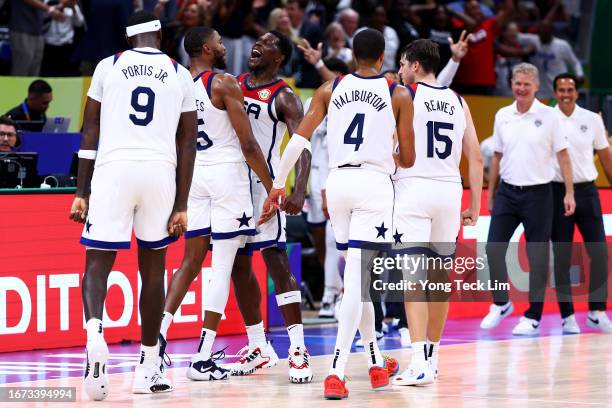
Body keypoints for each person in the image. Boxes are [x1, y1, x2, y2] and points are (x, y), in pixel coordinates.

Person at [261, 28, 416, 400]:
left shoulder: (330, 90)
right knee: (358, 283)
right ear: (383, 58)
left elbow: (297, 139)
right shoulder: (397, 94)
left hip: (338, 183)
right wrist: (388, 154)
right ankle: (337, 369)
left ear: (351, 56)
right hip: (373, 184)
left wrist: (278, 184)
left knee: (356, 281)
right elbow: (408, 159)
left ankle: (377, 360)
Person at [68, 11, 196, 399]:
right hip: (159, 172)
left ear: (128, 38)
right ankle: (148, 362)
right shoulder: (180, 73)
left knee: (97, 262)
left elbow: (90, 130)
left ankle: (94, 334)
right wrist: (182, 203)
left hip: (112, 169)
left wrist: (81, 191)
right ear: (159, 34)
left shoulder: (110, 66)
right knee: (153, 269)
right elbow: (187, 142)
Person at [158, 26, 274, 381]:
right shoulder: (223, 83)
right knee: (223, 265)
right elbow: (249, 144)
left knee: (189, 263)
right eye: (220, 42)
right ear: (207, 49)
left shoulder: (177, 85)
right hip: (227, 176)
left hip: (193, 177)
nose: (225, 46)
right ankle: (203, 356)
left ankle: (156, 340)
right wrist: (272, 186)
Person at [391, 39, 483, 386]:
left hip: (414, 189)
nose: (400, 71)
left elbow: (390, 148)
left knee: (413, 277)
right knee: (439, 279)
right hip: (449, 191)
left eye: (402, 64)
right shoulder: (458, 100)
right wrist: (473, 205)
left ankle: (417, 362)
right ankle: (432, 355)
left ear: (415, 65)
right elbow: (474, 155)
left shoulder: (403, 96)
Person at [227, 31, 313, 384]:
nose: (257, 45)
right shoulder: (231, 84)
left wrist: (299, 190)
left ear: (279, 58)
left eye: (269, 44)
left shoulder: (285, 96)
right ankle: (259, 346)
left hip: (265, 189)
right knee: (236, 263)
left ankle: (298, 349)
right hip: (230, 186)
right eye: (256, 40)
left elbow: (303, 146)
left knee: (275, 260)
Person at [480, 63, 576, 336]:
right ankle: (501, 302)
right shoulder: (502, 115)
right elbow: (496, 155)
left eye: (526, 84)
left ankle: (533, 316)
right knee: (493, 248)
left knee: (537, 256)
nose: (521, 88)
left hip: (539, 194)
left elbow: (564, 156)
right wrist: (491, 193)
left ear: (536, 87)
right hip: (508, 193)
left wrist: (569, 192)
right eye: (517, 83)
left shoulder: (549, 116)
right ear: (511, 84)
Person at [551, 73, 612, 333]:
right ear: (555, 93)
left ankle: (597, 311)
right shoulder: (545, 119)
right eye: (561, 89)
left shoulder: (592, 119)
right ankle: (567, 317)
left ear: (577, 92)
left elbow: (605, 156)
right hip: (556, 192)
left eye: (571, 89)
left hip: (588, 191)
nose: (566, 93)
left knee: (599, 252)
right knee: (562, 256)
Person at [518, 21, 584, 99]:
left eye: (545, 34)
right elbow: (515, 36)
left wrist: (580, 75)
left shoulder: (562, 45)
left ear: (551, 32)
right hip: (540, 91)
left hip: (559, 88)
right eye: (540, 34)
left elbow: (575, 62)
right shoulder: (534, 40)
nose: (542, 37)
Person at [9, 0, 63, 75]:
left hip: (38, 32)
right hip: (22, 30)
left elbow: (41, 6)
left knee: (34, 72)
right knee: (21, 71)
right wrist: (50, 10)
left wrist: (59, 6)